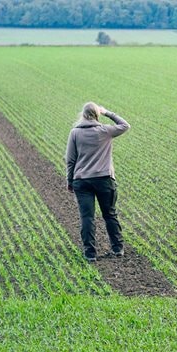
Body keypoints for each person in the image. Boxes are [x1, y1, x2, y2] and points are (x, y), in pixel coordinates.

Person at [65, 102, 130, 262]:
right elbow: (125, 125)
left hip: (82, 181)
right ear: (97, 115)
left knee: (87, 217)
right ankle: (117, 248)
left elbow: (70, 159)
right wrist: (107, 112)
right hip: (104, 180)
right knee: (109, 214)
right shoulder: (105, 131)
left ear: (83, 115)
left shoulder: (75, 133)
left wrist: (70, 180)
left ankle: (90, 253)